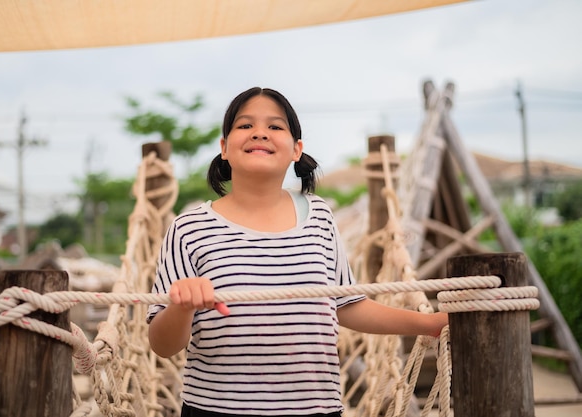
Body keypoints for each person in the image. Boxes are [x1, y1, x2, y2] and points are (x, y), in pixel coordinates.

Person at [147, 87, 448, 417]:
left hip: (315, 409)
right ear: (224, 148)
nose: (260, 132)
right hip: (216, 409)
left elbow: (348, 305)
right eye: (245, 126)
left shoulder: (319, 216)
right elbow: (162, 344)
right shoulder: (190, 227)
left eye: (275, 127)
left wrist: (430, 322)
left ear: (296, 150)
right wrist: (181, 306)